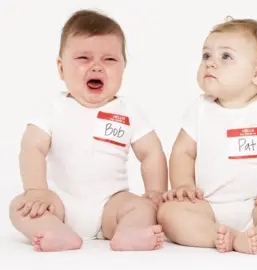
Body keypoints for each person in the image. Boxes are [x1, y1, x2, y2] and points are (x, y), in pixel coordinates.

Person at [9, 9, 168, 252]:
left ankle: (128, 233)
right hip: (57, 203)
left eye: (109, 60)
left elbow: (151, 153)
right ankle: (54, 230)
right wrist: (36, 190)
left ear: (123, 68)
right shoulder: (53, 107)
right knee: (19, 206)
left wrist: (155, 191)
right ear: (61, 69)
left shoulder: (129, 111)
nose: (96, 67)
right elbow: (32, 148)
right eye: (83, 58)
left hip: (111, 205)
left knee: (143, 207)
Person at [157, 17, 257, 254]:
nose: (210, 64)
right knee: (168, 212)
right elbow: (182, 151)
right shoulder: (199, 109)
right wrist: (183, 185)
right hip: (208, 207)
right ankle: (214, 235)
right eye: (206, 56)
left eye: (225, 57)